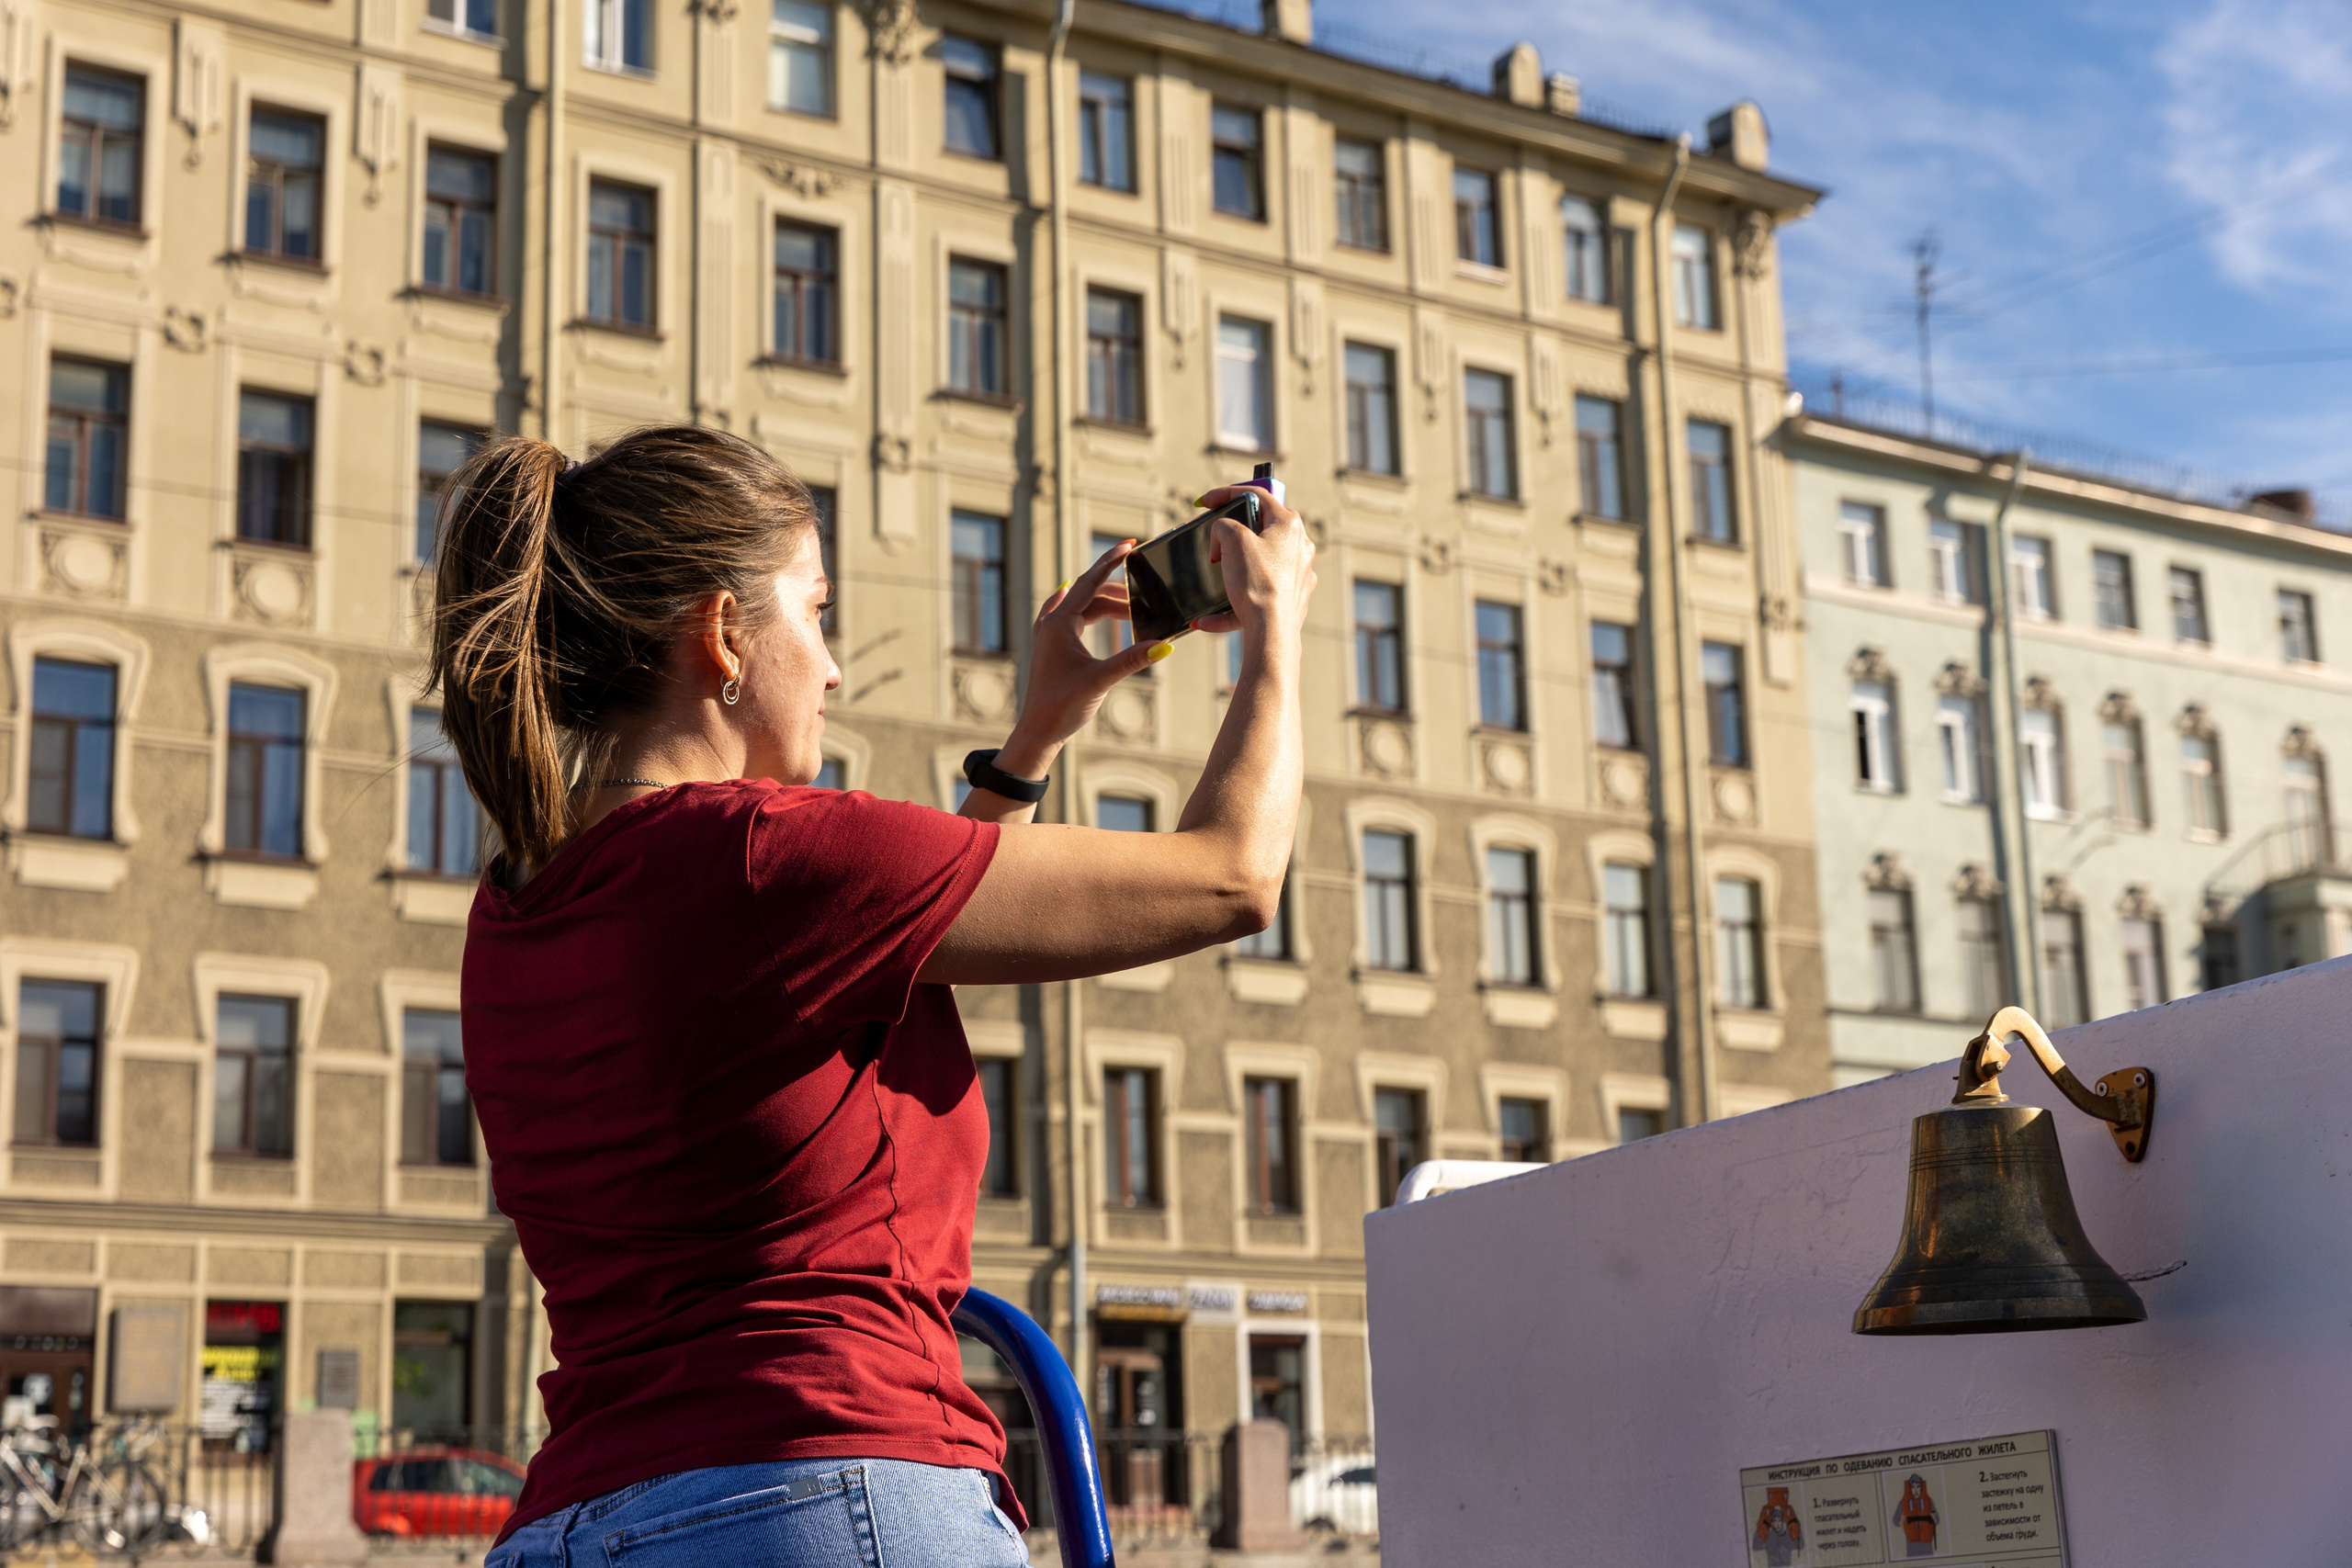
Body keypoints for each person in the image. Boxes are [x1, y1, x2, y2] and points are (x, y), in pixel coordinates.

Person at [435, 427, 1315, 1568]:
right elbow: (1232, 877)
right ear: (721, 637)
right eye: (816, 613)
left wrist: (1038, 734)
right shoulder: (771, 854)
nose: (835, 665)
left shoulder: (515, 907)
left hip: (573, 1521)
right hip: (820, 1489)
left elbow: (873, 964)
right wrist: (1278, 631)